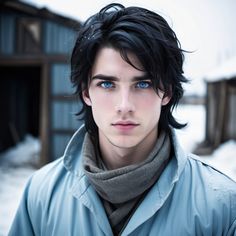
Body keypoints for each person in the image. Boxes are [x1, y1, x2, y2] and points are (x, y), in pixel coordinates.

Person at [9, 3, 236, 236]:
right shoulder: (41, 195)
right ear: (86, 92)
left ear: (166, 92)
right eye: (107, 84)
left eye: (143, 84)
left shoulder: (222, 206)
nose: (124, 106)